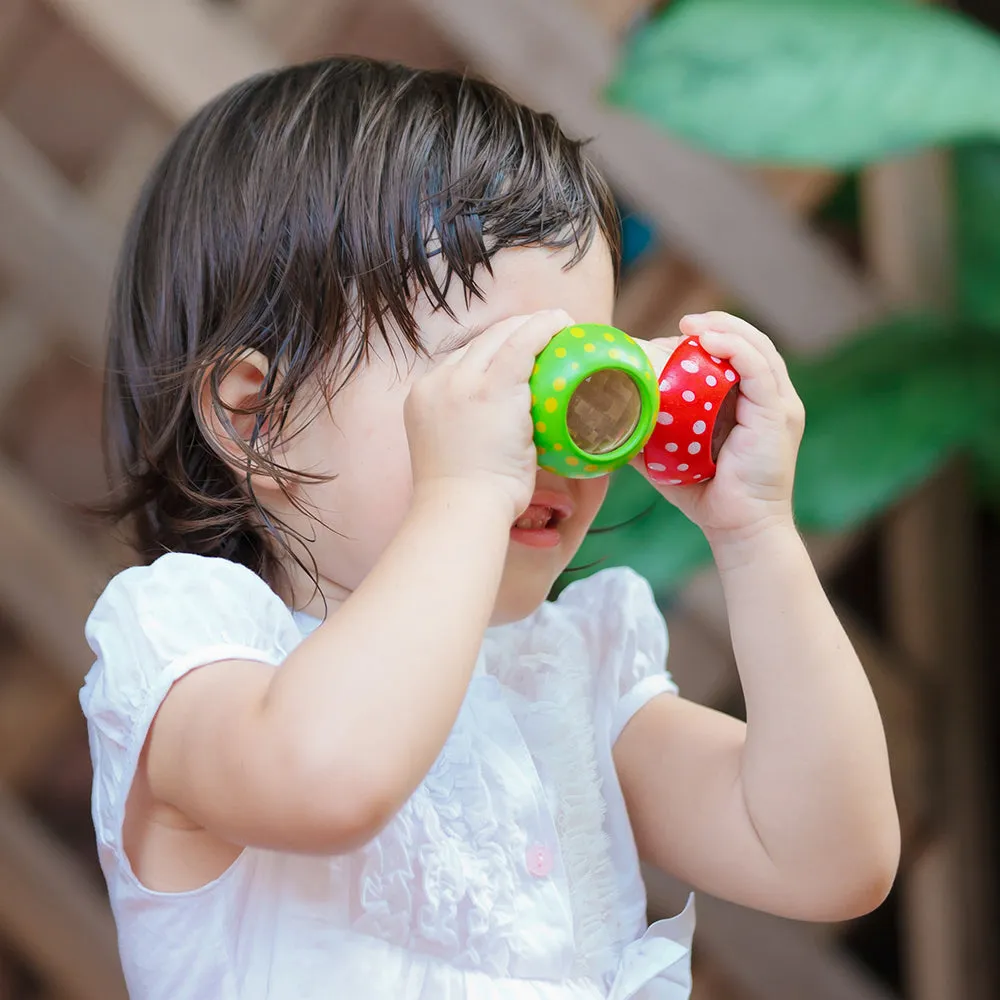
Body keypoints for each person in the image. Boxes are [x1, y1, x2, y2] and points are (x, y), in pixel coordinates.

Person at [80, 57, 900, 1000]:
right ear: (256, 415)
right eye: (494, 376)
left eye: (580, 373)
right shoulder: (197, 658)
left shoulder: (570, 680)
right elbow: (330, 778)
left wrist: (756, 533)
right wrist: (465, 488)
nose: (553, 435)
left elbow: (829, 859)